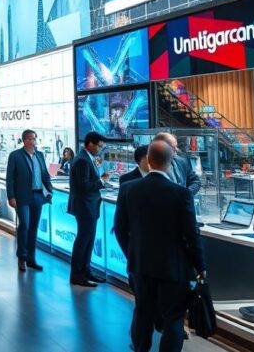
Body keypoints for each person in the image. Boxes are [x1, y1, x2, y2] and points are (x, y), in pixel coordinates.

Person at [114, 141, 205, 352]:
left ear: (148, 159)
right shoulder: (181, 194)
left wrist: (132, 254)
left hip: (140, 265)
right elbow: (192, 235)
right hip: (173, 267)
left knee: (142, 312)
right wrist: (200, 265)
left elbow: (119, 229)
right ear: (170, 162)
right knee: (173, 317)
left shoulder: (129, 189)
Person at [6, 129, 53, 272]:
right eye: (32, 139)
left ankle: (31, 259)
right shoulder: (15, 156)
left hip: (38, 196)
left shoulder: (39, 155)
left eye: (35, 139)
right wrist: (11, 196)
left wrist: (50, 190)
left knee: (33, 228)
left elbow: (45, 174)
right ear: (25, 140)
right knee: (24, 225)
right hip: (22, 196)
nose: (34, 141)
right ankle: (22, 257)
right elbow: (10, 178)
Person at [68, 132, 110, 288]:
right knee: (83, 240)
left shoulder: (87, 159)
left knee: (89, 239)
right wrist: (102, 180)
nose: (100, 149)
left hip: (89, 205)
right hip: (85, 206)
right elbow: (84, 186)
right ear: (90, 144)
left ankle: (86, 270)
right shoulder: (82, 160)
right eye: (99, 146)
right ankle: (77, 274)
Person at [152, 132, 201, 196]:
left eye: (176, 146)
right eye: (172, 147)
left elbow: (195, 180)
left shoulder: (181, 161)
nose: (176, 149)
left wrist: (187, 193)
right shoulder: (149, 167)